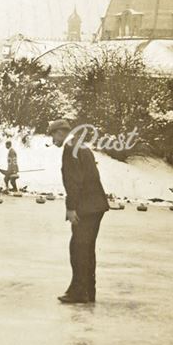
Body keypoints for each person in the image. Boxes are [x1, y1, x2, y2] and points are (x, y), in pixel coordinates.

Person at [50, 118, 109, 305]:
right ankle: (88, 291)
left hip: (86, 206)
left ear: (60, 132)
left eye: (53, 135)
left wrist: (71, 208)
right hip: (95, 205)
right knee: (87, 248)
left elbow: (75, 181)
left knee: (78, 249)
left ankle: (79, 292)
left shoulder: (70, 149)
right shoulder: (80, 146)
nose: (53, 141)